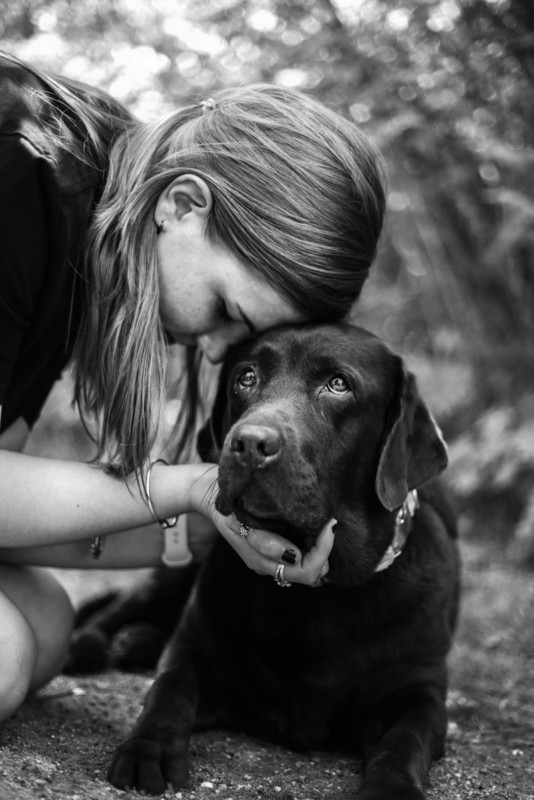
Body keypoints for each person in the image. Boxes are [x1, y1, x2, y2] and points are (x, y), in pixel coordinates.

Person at [0, 51, 386, 723]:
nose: (211, 348)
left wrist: (216, 530)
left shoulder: (100, 206)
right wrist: (188, 486)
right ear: (183, 205)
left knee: (48, 623)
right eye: (227, 311)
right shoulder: (20, 181)